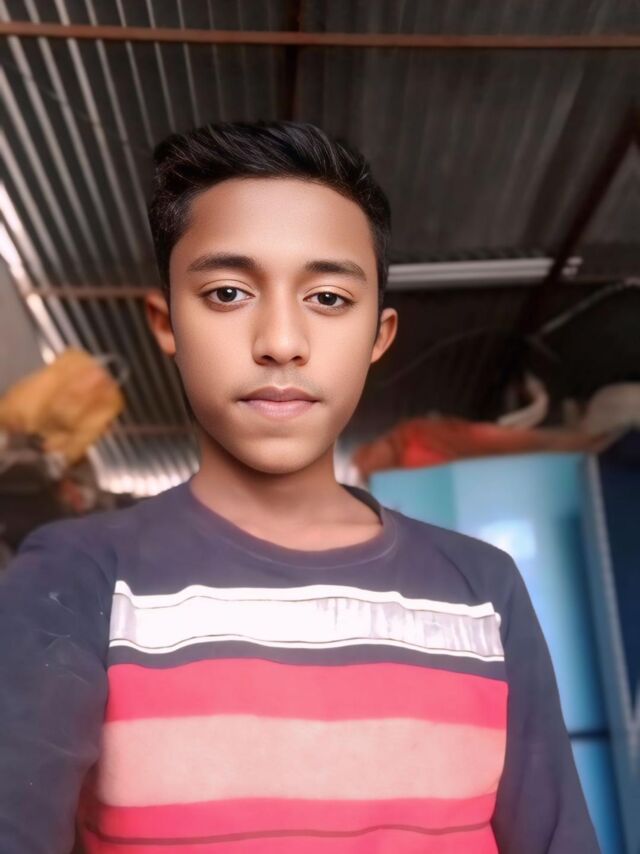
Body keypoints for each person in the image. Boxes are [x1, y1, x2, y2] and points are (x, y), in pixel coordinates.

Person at [0, 120, 600, 853]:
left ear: (379, 335)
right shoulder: (76, 577)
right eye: (227, 292)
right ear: (166, 322)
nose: (281, 342)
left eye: (329, 298)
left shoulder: (483, 590)